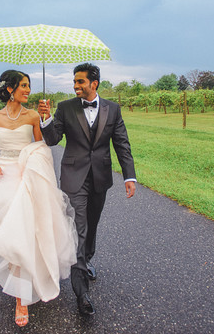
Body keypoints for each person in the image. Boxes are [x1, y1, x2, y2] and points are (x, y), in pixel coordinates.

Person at [0, 70, 77, 327]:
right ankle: (17, 281)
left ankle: (21, 299)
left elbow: (43, 147)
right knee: (2, 224)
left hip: (28, 176)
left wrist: (46, 118)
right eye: (24, 86)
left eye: (29, 85)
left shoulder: (33, 115)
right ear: (11, 88)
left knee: (23, 229)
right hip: (3, 173)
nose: (28, 90)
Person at [38, 63, 136, 316]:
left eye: (80, 81)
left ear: (94, 83)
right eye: (74, 81)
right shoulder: (65, 107)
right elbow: (52, 140)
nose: (75, 86)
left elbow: (121, 144)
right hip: (74, 177)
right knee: (78, 228)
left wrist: (130, 176)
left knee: (92, 224)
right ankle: (82, 294)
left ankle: (87, 259)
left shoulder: (112, 109)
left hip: (100, 177)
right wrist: (45, 118)